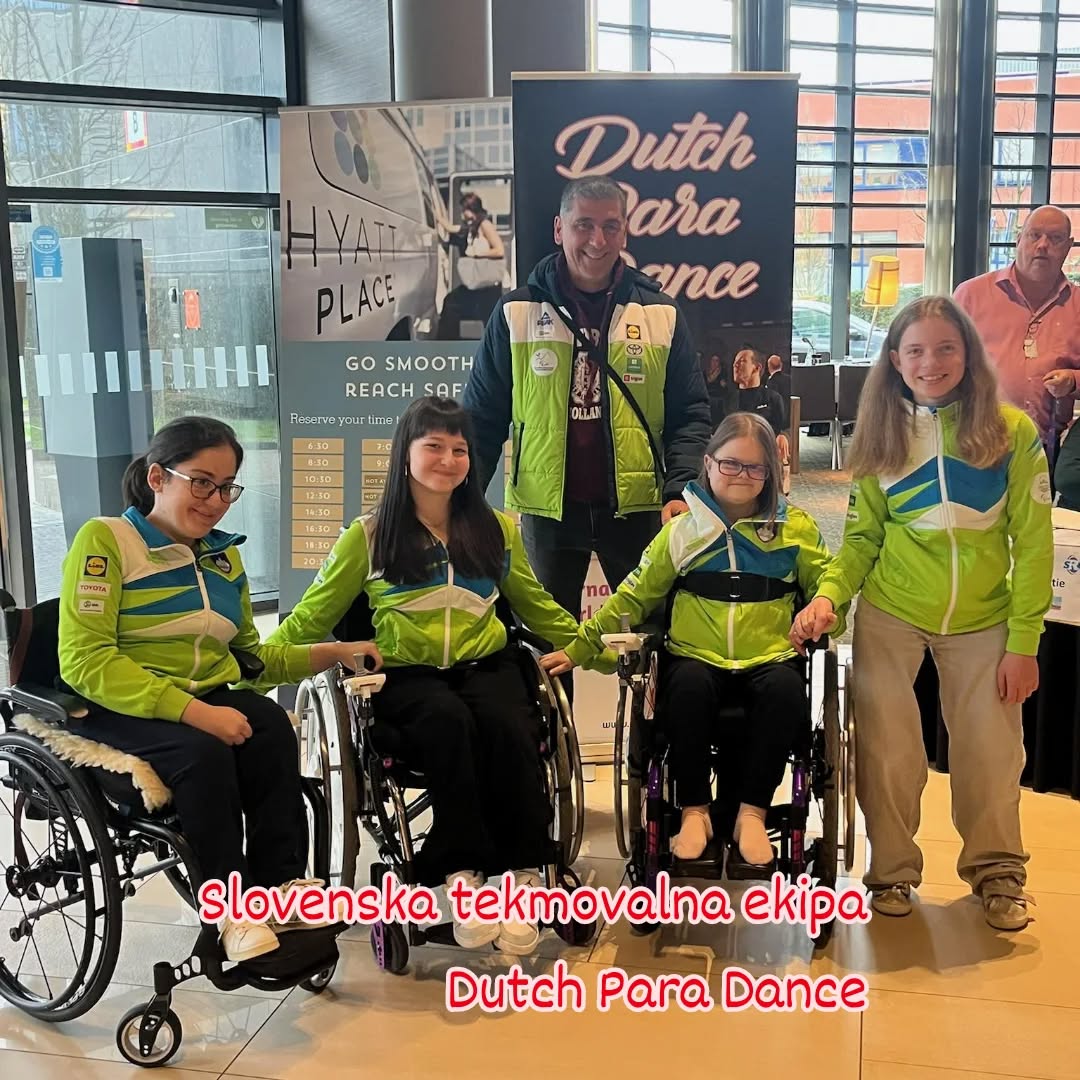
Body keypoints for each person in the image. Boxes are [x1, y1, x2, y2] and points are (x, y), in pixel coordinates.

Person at [263, 397, 609, 955]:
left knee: (510, 726)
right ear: (405, 454)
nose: (449, 460)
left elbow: (537, 606)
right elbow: (309, 620)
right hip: (406, 675)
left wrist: (591, 648)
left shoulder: (495, 530)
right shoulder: (369, 536)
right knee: (447, 723)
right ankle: (461, 875)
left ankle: (523, 875)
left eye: (460, 449)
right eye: (434, 447)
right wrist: (252, 670)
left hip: (487, 665)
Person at [58, 417, 367, 962]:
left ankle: (280, 887)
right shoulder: (107, 541)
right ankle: (230, 910)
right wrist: (193, 712)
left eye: (226, 488)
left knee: (269, 727)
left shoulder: (223, 557)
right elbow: (86, 660)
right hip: (117, 706)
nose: (216, 501)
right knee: (204, 753)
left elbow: (249, 660)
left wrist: (332, 653)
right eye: (201, 483)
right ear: (158, 477)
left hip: (200, 699)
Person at [792, 296, 1052, 931]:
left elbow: (1034, 544)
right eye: (915, 350)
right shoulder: (880, 434)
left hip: (984, 617)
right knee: (886, 749)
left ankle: (998, 872)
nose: (930, 363)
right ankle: (891, 872)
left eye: (945, 348)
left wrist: (1024, 642)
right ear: (895, 359)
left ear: (967, 353)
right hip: (893, 609)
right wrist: (829, 597)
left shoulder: (1011, 432)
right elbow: (861, 540)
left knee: (991, 751)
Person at [541, 412, 841, 867]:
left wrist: (823, 608)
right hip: (695, 656)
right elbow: (634, 594)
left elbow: (828, 586)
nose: (741, 475)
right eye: (730, 463)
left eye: (755, 467)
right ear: (708, 462)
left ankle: (752, 814)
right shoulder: (681, 533)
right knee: (685, 688)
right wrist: (581, 646)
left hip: (772, 655)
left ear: (770, 473)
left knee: (785, 692)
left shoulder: (793, 529)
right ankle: (695, 812)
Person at [462, 176, 711, 632]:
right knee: (545, 642)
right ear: (559, 229)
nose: (598, 240)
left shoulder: (661, 313)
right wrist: (465, 502)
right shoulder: (516, 313)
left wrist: (679, 490)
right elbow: (481, 420)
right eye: (584, 225)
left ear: (625, 232)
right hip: (548, 512)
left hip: (638, 508)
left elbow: (690, 414)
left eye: (610, 226)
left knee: (649, 635)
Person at [954, 205, 1080, 467]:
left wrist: (1073, 381)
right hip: (976, 440)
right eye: (1035, 235)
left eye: (1055, 238)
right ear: (1019, 239)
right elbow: (945, 363)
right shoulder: (970, 295)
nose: (1043, 245)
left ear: (1068, 247)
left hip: (1044, 449)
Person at [436, 192, 507, 339]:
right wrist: (436, 214)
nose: (463, 214)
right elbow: (450, 228)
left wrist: (476, 254)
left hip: (488, 287)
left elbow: (499, 250)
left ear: (472, 208)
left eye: (464, 210)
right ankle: (449, 343)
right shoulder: (471, 227)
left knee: (454, 304)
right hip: (479, 285)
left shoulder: (485, 225)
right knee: (452, 303)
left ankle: (446, 344)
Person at [733, 348, 789, 448]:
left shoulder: (773, 398)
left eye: (742, 361)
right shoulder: (726, 400)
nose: (735, 365)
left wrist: (783, 436)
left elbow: (784, 428)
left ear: (757, 367)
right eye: (735, 361)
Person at [703, 352, 735, 430]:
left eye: (716, 361)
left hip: (718, 398)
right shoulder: (705, 372)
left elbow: (725, 388)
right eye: (713, 360)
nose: (714, 363)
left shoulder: (722, 372)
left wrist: (724, 385)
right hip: (707, 397)